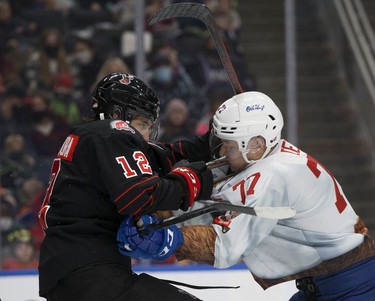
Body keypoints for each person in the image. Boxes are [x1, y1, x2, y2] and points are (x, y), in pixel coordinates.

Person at [118, 91, 375, 300]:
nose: (222, 152)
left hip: (352, 288)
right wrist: (159, 210)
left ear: (256, 144)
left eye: (229, 145)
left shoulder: (273, 176)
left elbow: (223, 246)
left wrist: (164, 237)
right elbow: (216, 208)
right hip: (331, 284)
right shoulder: (272, 158)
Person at [37, 72, 213, 301]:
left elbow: (169, 154)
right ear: (117, 114)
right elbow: (138, 196)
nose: (148, 133)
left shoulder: (96, 138)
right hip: (88, 272)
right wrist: (190, 184)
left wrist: (217, 138)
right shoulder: (110, 131)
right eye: (142, 123)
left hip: (77, 270)